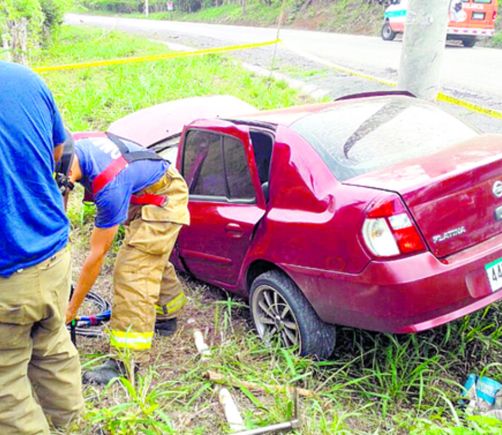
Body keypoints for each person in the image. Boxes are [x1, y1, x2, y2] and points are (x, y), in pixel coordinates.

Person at [65, 132, 190, 384]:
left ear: (66, 173)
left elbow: (97, 255)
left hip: (164, 198)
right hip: (144, 192)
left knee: (133, 271)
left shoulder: (109, 184)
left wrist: (71, 310)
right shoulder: (73, 146)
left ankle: (125, 361)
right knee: (148, 258)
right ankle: (166, 316)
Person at [0, 61, 83, 433]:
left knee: (5, 381)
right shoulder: (24, 79)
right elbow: (58, 150)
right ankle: (73, 424)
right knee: (53, 347)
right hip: (53, 254)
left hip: (7, 275)